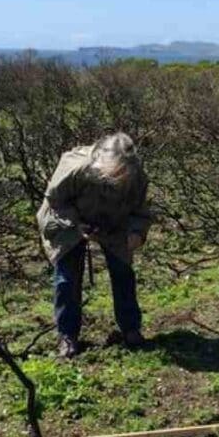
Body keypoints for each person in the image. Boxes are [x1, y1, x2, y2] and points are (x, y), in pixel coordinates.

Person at [36, 132, 153, 359]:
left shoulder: (137, 176)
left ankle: (130, 329)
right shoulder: (76, 166)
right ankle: (67, 336)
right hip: (66, 221)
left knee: (123, 272)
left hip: (113, 222)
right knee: (67, 278)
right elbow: (55, 201)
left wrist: (137, 232)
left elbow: (140, 210)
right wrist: (76, 225)